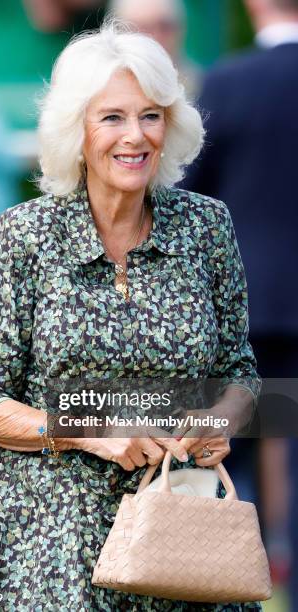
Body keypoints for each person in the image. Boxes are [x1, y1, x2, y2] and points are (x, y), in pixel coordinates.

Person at [0, 20, 261, 611]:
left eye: (150, 115)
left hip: (179, 532)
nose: (135, 136)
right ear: (78, 131)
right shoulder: (25, 234)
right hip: (49, 541)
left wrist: (220, 420)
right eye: (112, 117)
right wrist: (93, 432)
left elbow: (240, 374)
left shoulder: (207, 226)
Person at [180, 0, 298, 601]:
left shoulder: (227, 81)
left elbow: (189, 196)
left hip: (245, 302)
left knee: (233, 448)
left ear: (255, 7)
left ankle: (229, 583)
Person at [110, 0, 201, 100]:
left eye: (164, 27)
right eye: (144, 28)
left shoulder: (200, 86)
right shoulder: (104, 87)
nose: (155, 37)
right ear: (119, 33)